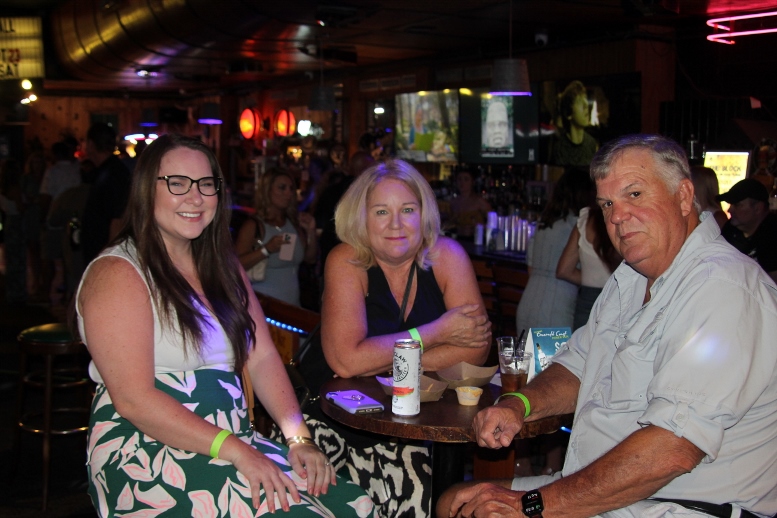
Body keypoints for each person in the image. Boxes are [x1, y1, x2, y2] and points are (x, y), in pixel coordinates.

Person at [438, 134, 777, 518]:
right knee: (456, 500)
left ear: (684, 197)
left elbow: (672, 450)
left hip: (683, 506)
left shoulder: (723, 290)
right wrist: (519, 404)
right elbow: (579, 364)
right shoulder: (631, 278)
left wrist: (530, 505)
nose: (617, 216)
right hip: (613, 493)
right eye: (607, 204)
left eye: (634, 195)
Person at [77, 134, 373, 517]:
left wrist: (299, 438)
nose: (195, 197)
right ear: (146, 190)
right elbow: (134, 399)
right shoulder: (118, 271)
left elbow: (262, 355)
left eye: (206, 184)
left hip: (234, 441)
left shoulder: (223, 265)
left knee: (356, 505)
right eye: (178, 183)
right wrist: (238, 452)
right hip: (146, 448)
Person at [319, 159, 492, 517]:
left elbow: (476, 348)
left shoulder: (447, 255)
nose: (396, 224)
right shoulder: (346, 260)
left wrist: (380, 364)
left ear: (424, 215)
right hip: (342, 423)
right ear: (361, 218)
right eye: (381, 211)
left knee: (436, 493)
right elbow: (345, 362)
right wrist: (439, 332)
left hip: (421, 424)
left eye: (408, 210)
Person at [515, 168, 592, 335]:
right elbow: (569, 271)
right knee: (557, 360)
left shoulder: (544, 223)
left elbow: (530, 269)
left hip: (528, 303)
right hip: (558, 308)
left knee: (527, 360)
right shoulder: (580, 226)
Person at [235, 169, 317, 306]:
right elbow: (234, 266)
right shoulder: (254, 225)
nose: (288, 193)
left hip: (292, 306)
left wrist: (311, 231)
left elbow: (311, 259)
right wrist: (266, 250)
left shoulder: (293, 223)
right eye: (282, 188)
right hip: (263, 307)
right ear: (267, 191)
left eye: (291, 188)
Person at [556, 199, 622, 331]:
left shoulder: (586, 219)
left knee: (581, 349)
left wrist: (590, 277)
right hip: (620, 297)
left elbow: (564, 270)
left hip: (587, 298)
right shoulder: (625, 217)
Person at [80, 122, 132, 265]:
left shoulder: (112, 174)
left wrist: (105, 258)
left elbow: (118, 218)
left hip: (103, 255)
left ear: (91, 144)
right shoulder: (106, 171)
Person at [39, 141, 81, 303]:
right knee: (70, 258)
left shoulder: (53, 172)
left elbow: (45, 196)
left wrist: (43, 218)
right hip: (75, 219)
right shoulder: (76, 169)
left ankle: (46, 292)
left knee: (49, 257)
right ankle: (69, 294)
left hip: (55, 219)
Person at [718, 178, 777, 282]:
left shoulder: (772, 234)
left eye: (737, 205)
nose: (729, 210)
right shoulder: (730, 230)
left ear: (758, 208)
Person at [550, 80, 598, 167]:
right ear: (569, 114)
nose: (586, 105)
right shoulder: (559, 148)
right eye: (579, 101)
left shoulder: (591, 143)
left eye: (585, 99)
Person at [448, 169, 492, 239]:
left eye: (466, 179)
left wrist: (478, 228)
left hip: (475, 240)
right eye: (459, 179)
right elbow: (449, 224)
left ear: (472, 182)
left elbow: (492, 223)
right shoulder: (453, 202)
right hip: (457, 241)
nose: (462, 182)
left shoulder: (480, 202)